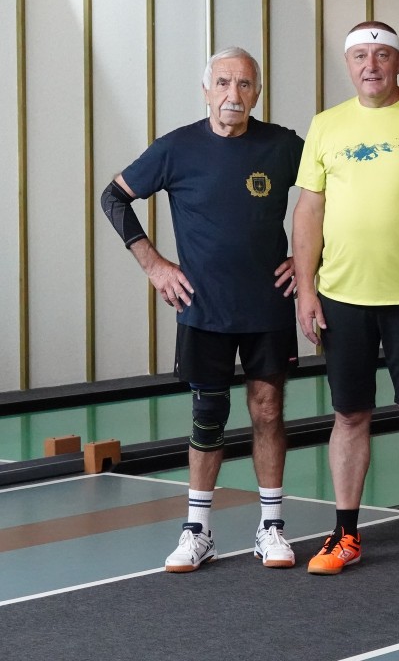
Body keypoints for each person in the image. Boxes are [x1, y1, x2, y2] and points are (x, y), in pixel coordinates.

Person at [101, 47, 304, 573]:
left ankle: (272, 527)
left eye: (244, 85)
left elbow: (334, 197)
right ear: (206, 90)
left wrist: (311, 260)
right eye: (224, 83)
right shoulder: (176, 148)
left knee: (268, 410)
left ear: (257, 93)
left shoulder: (284, 145)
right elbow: (113, 198)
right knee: (207, 416)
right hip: (203, 306)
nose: (233, 95)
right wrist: (154, 266)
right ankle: (197, 531)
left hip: (267, 306)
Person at [292, 21, 399, 580]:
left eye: (382, 55)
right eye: (360, 56)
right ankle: (345, 533)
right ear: (348, 64)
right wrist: (306, 289)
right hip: (341, 295)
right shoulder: (326, 125)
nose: (371, 65)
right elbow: (309, 210)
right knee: (349, 414)